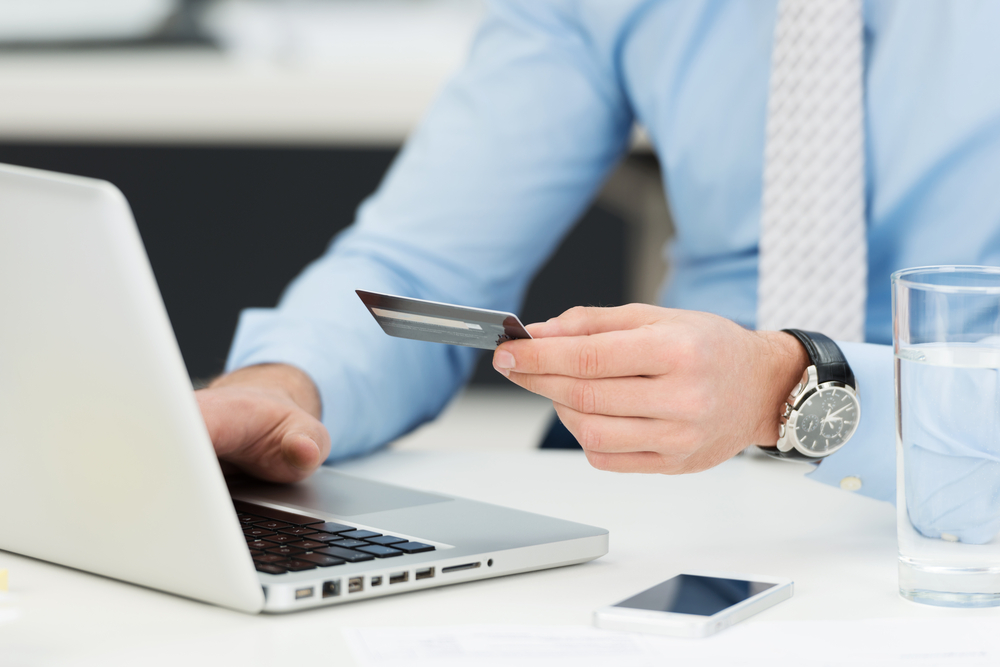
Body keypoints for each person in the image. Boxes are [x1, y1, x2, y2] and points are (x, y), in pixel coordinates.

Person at [196, 0, 1000, 507]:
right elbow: (422, 263)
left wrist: (782, 389)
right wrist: (283, 384)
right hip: (660, 483)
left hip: (956, 489)